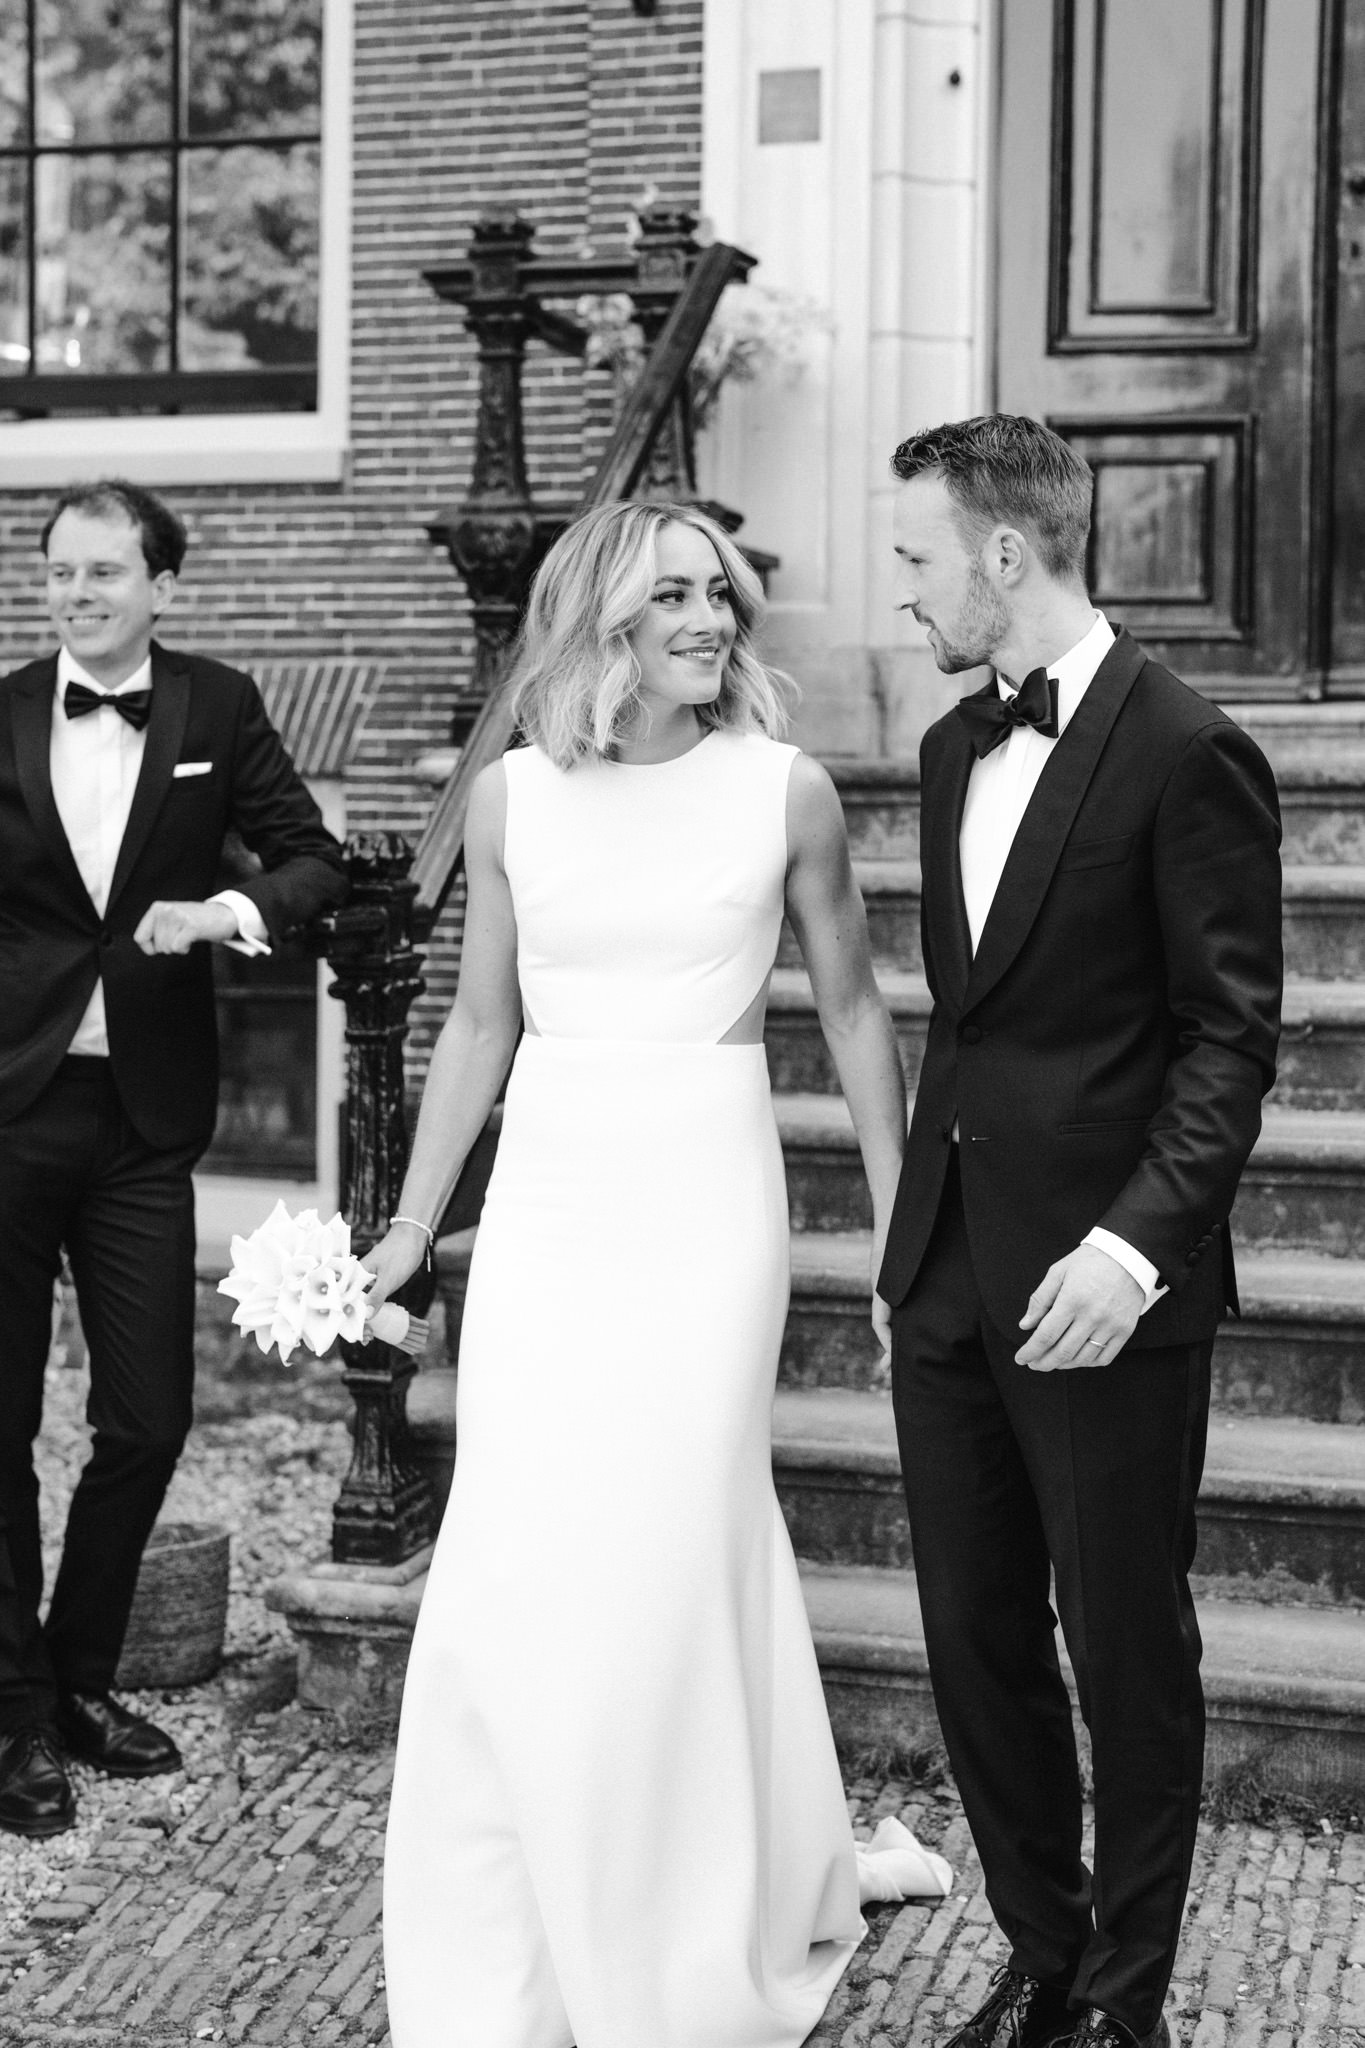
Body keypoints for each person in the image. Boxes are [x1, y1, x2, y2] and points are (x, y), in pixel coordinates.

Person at [365, 499, 944, 2048]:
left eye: (721, 596)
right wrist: (417, 1230)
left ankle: (691, 1911)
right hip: (554, 1191)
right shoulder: (507, 803)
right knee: (517, 1539)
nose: (712, 620)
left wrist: (899, 1222)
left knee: (678, 1535)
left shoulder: (787, 794)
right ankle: (515, 1913)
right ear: (602, 619)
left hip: (704, 1195)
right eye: (676, 596)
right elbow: (479, 1025)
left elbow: (854, 1010)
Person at [877, 416, 1283, 2048]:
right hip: (948, 1276)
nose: (896, 593)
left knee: (1124, 1653)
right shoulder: (943, 751)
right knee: (975, 1647)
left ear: (1000, 554)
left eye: (911, 559)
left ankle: (1127, 2001)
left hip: (1102, 1289)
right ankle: (1041, 1959)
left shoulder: (1187, 748)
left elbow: (1227, 1038)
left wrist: (1132, 1252)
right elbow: (975, 1025)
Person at [0, 480, 348, 1837]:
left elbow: (312, 861)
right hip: (10, 1109)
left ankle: (81, 1677)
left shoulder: (214, 708)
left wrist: (224, 909)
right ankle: (14, 1713)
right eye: (57, 574)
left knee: (146, 1419)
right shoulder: (9, 707)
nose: (76, 594)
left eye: (102, 573)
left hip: (145, 1120)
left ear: (160, 583)